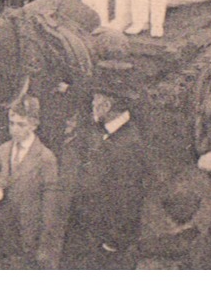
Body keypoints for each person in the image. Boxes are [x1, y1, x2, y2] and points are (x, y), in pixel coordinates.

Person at [62, 78, 149, 267]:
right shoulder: (107, 131)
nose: (92, 104)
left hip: (104, 243)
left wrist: (113, 242)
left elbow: (128, 198)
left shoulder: (128, 145)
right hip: (90, 232)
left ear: (107, 105)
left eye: (95, 100)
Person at [0, 96, 64, 268]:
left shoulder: (45, 158)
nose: (14, 130)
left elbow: (49, 208)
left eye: (21, 124)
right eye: (11, 123)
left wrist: (44, 245)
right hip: (2, 233)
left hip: (28, 236)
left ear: (34, 125)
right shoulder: (0, 151)